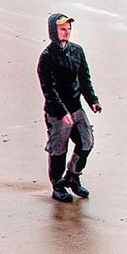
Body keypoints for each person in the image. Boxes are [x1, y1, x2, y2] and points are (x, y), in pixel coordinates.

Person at [37, 13, 102, 202]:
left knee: (87, 141)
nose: (67, 32)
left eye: (68, 29)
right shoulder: (46, 57)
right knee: (59, 149)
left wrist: (93, 101)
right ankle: (57, 185)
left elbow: (84, 79)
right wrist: (62, 112)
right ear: (53, 32)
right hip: (56, 111)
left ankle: (72, 176)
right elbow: (48, 90)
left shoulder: (77, 51)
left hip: (76, 106)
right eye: (62, 29)